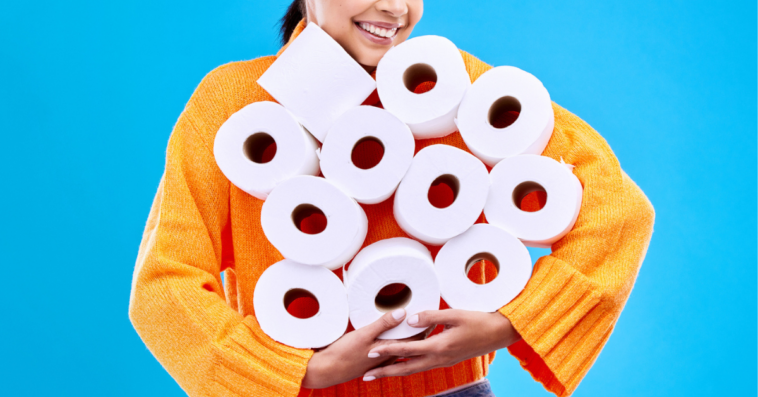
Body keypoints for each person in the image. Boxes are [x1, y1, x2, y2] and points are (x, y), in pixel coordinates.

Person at [128, 1, 656, 396]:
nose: (395, 7)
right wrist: (297, 370)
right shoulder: (235, 104)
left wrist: (510, 322)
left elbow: (617, 206)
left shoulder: (455, 88)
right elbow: (164, 281)